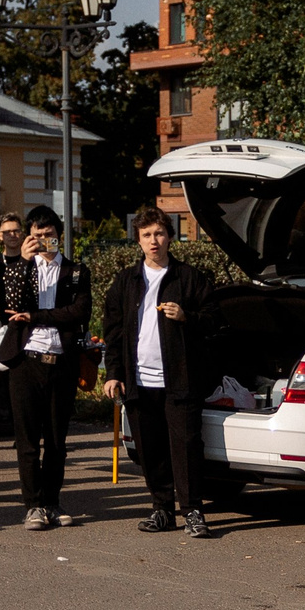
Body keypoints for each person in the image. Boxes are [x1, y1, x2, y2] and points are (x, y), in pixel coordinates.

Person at [102, 206, 217, 536]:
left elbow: (213, 320)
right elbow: (114, 332)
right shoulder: (126, 281)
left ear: (170, 236)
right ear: (138, 240)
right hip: (138, 381)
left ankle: (193, 511)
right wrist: (113, 373)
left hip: (180, 380)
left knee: (186, 448)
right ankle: (162, 509)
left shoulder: (189, 277)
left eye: (160, 233)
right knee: (150, 449)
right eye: (147, 235)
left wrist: (186, 317)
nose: (154, 240)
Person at [0, 206, 93, 530]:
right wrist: (26, 262)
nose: (44, 241)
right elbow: (12, 302)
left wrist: (38, 316)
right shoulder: (20, 268)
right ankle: (33, 505)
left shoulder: (75, 272)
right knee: (27, 440)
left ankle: (52, 502)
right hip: (26, 362)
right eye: (37, 235)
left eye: (49, 235)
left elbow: (79, 313)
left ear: (59, 234)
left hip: (62, 361)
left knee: (56, 440)